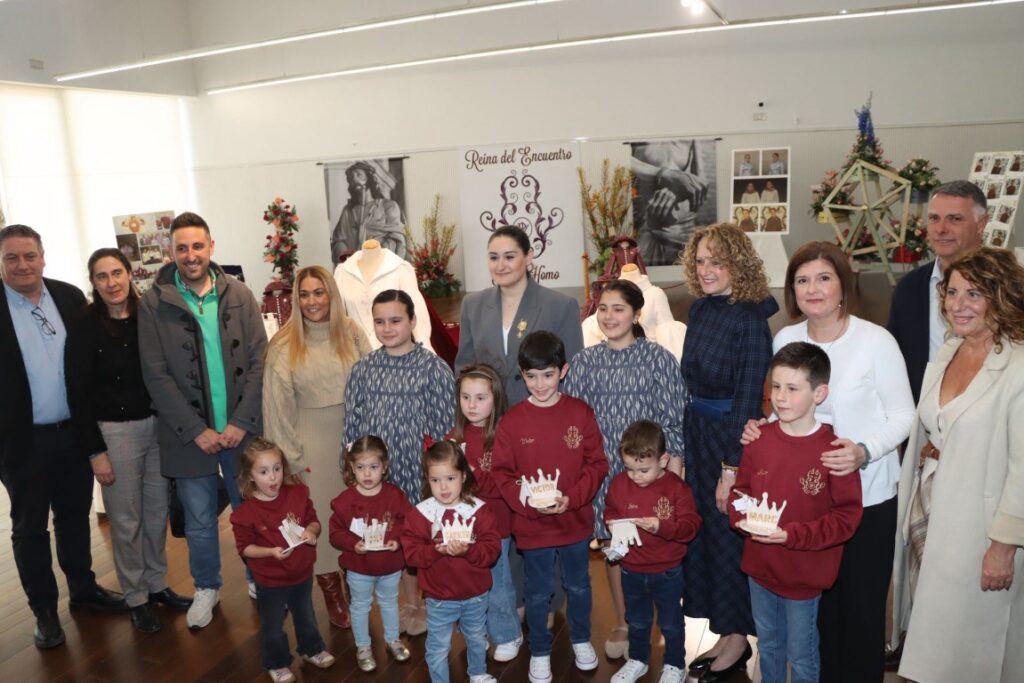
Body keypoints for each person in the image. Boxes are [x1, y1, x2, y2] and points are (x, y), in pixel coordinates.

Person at [743, 241, 914, 681]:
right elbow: (783, 406)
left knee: (859, 609)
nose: (812, 289)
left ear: (843, 285)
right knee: (813, 616)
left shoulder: (876, 341)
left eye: (823, 278)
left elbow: (903, 415)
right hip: (803, 506)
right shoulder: (786, 338)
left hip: (867, 496)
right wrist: (760, 427)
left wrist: (864, 450)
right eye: (802, 280)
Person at [891, 247, 1024, 682]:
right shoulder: (947, 352)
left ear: (1001, 297)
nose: (958, 304)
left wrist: (1003, 545)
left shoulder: (1018, 366)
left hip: (983, 529)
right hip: (933, 514)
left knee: (973, 652)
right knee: (935, 644)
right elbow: (936, 426)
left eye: (974, 294)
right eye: (952, 292)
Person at [0, 224, 127, 649]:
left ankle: (84, 590)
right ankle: (44, 611)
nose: (22, 265)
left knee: (74, 518)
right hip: (21, 443)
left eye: (29, 256)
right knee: (30, 529)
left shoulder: (70, 297)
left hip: (73, 435)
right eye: (12, 258)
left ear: (43, 256)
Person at [138, 211, 267, 629]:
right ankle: (207, 586)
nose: (190, 255)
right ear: (171, 252)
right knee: (198, 518)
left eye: (197, 246)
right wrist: (196, 430)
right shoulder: (153, 303)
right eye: (182, 248)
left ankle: (256, 576)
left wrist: (241, 422)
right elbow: (155, 373)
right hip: (186, 434)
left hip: (240, 427)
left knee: (248, 508)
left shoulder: (241, 295)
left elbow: (259, 362)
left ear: (211, 247)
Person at [68, 248, 192, 634]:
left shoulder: (147, 316)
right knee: (126, 520)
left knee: (156, 514)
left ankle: (157, 585)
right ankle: (136, 597)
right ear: (93, 283)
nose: (112, 282)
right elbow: (78, 394)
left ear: (129, 274)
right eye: (102, 276)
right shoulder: (84, 327)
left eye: (117, 273)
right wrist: (95, 452)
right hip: (114, 433)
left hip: (157, 428)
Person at [563, 280, 687, 660]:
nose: (609, 316)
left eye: (618, 308)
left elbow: (673, 421)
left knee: (653, 544)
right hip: (603, 474)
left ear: (636, 314)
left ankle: (658, 620)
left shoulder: (658, 359)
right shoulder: (584, 361)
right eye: (602, 308)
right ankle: (624, 620)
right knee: (614, 546)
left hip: (650, 473)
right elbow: (573, 422)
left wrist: (674, 479)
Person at [731, 342, 863, 683]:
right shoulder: (758, 440)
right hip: (760, 569)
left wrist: (791, 535)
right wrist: (743, 519)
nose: (781, 397)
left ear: (819, 393)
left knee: (801, 653)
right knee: (769, 644)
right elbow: (739, 493)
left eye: (792, 388)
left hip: (804, 576)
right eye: (775, 387)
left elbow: (845, 519)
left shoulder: (835, 452)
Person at [679, 223, 777, 682]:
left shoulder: (750, 317)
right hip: (698, 433)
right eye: (700, 261)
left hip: (728, 440)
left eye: (716, 260)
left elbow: (745, 398)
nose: (706, 269)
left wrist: (731, 468)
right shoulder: (701, 309)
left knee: (728, 538)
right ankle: (724, 631)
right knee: (706, 538)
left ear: (737, 262)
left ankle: (739, 639)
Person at [492, 331, 608, 683]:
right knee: (537, 591)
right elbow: (502, 471)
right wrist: (528, 503)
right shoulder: (512, 421)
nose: (540, 384)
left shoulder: (580, 413)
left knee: (578, 586)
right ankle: (540, 649)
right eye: (531, 376)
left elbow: (597, 464)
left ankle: (582, 638)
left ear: (564, 370)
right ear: (522, 375)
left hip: (573, 521)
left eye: (548, 375)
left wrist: (571, 498)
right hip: (533, 525)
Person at [262, 264, 371, 628]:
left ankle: (357, 580)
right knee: (322, 516)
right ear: (296, 298)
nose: (312, 301)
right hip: (309, 441)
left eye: (319, 292)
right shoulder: (284, 343)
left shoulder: (351, 332)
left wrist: (372, 442)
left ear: (331, 295)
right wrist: (289, 460)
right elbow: (276, 407)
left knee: (356, 513)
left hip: (353, 438)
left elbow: (373, 378)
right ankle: (330, 587)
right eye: (304, 294)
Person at [344, 289, 455, 635]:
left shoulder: (433, 368)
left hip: (418, 470)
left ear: (412, 321)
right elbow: (351, 424)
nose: (388, 328)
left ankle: (429, 601)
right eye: (380, 321)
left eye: (395, 320)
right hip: (376, 474)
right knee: (391, 533)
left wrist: (442, 476)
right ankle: (406, 602)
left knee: (420, 536)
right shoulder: (363, 369)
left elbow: (444, 430)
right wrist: (351, 470)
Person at [229, 438, 336, 683]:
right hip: (270, 579)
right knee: (273, 625)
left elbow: (314, 520)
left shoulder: (298, 493)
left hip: (301, 571)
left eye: (277, 468)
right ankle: (276, 662)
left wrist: (311, 531)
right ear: (250, 476)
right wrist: (271, 552)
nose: (273, 477)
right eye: (264, 472)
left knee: (306, 614)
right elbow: (245, 549)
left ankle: (312, 649)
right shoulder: (245, 513)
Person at [604, 420, 701, 683]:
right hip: (631, 569)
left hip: (667, 571)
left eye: (643, 469)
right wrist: (611, 523)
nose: (635, 476)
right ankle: (638, 659)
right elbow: (610, 509)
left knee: (670, 623)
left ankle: (674, 665)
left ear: (663, 460)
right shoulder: (619, 484)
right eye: (629, 468)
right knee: (636, 620)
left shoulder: (677, 489)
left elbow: (691, 527)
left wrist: (661, 526)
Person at [402, 441, 501, 683]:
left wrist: (468, 551)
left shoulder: (478, 511)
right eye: (435, 480)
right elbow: (411, 555)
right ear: (427, 479)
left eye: (450, 478)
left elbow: (492, 550)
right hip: (438, 597)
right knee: (437, 647)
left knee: (477, 637)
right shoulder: (421, 514)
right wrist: (436, 551)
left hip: (475, 593)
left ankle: (477, 673)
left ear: (463, 476)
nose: (443, 487)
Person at [456, 225, 584, 407]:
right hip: (489, 418)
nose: (500, 266)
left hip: (541, 413)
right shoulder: (472, 305)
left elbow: (573, 372)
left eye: (509, 257)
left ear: (529, 256)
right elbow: (465, 367)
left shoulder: (561, 306)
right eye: (493, 258)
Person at [888, 181, 988, 402]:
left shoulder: (1008, 287)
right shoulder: (909, 289)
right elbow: (892, 364)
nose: (941, 229)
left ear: (981, 224)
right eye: (934, 218)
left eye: (955, 219)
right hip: (924, 420)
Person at [449, 364, 523, 662]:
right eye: (466, 397)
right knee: (468, 579)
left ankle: (507, 633)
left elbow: (504, 483)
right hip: (462, 525)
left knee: (497, 579)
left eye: (480, 398)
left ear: (495, 398)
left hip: (495, 524)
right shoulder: (455, 436)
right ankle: (476, 629)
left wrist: (470, 475)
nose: (472, 405)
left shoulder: (505, 434)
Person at [329, 436, 413, 672]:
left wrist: (397, 540)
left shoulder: (395, 495)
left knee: (389, 602)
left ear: (384, 467)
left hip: (389, 565)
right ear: (351, 468)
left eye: (373, 467)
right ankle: (363, 646)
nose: (367, 474)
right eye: (360, 467)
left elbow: (407, 522)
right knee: (360, 606)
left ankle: (393, 640)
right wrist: (353, 543)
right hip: (359, 567)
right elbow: (335, 533)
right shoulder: (345, 501)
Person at [631, 140, 710, 265]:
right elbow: (621, 160)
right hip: (647, 225)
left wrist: (677, 192)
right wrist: (663, 174)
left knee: (688, 278)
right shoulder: (636, 134)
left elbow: (701, 184)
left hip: (683, 230)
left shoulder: (691, 136)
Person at [330, 161, 406, 263]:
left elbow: (397, 239)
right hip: (357, 268)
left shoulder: (388, 206)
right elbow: (338, 240)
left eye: (359, 175)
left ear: (369, 178)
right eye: (351, 178)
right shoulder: (348, 212)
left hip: (383, 264)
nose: (355, 180)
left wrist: (375, 258)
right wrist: (349, 259)